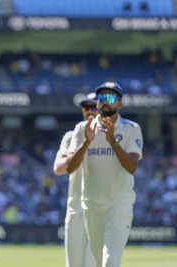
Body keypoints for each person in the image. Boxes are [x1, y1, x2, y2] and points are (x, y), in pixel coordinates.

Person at [66, 82, 143, 267]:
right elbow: (70, 168)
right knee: (98, 262)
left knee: (110, 261)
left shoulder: (131, 129)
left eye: (110, 98)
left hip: (118, 205)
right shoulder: (83, 128)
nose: (105, 102)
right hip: (91, 206)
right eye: (101, 98)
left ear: (120, 103)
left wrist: (112, 142)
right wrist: (86, 142)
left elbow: (132, 166)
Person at [53, 93, 97, 267]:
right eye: (86, 107)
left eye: (94, 107)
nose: (89, 111)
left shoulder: (110, 138)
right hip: (75, 211)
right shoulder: (71, 136)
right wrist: (84, 144)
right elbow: (58, 168)